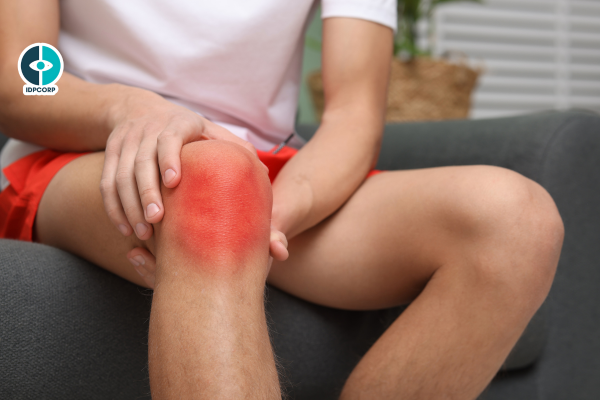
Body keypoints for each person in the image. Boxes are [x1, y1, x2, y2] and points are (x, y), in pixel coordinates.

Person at [0, 0, 564, 399]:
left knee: (516, 221)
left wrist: (266, 217)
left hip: (264, 169)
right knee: (217, 180)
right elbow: (22, 81)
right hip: (86, 149)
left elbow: (352, 116)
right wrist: (131, 109)